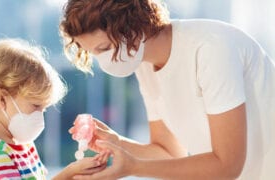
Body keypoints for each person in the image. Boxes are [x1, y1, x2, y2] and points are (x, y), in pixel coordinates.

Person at [59, 0, 275, 179]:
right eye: (93, 53)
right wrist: (118, 144)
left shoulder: (210, 48)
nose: (103, 62)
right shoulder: (143, 63)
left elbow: (227, 165)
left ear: (132, 25)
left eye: (104, 48)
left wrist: (134, 167)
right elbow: (169, 153)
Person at [0, 39, 109, 179]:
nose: (39, 117)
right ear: (2, 99)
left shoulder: (23, 145)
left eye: (43, 109)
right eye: (35, 106)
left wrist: (77, 174)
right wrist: (68, 174)